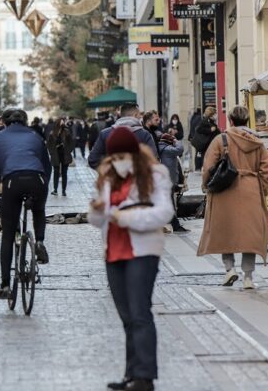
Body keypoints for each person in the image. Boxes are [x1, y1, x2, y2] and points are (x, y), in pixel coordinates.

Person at [87, 127, 173, 391]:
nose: (117, 161)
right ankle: (131, 372)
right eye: (113, 156)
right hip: (113, 250)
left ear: (134, 153)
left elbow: (164, 213)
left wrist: (125, 218)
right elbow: (97, 220)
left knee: (139, 312)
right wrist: (97, 211)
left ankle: (145, 377)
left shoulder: (155, 174)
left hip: (142, 250)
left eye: (122, 155)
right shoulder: (109, 177)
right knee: (126, 316)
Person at [196, 106, 268, 290]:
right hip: (251, 189)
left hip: (224, 189)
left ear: (230, 120)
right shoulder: (257, 142)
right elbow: (266, 168)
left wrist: (206, 185)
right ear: (247, 121)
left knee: (225, 231)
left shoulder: (220, 139)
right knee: (250, 235)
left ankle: (229, 269)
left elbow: (208, 167)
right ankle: (248, 277)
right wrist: (260, 187)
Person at [0, 109, 51, 300]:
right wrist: (44, 184)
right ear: (26, 122)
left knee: (8, 235)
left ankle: (5, 285)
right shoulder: (36, 136)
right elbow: (47, 165)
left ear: (4, 123)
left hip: (12, 181)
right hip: (37, 179)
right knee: (38, 210)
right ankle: (39, 241)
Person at [89, 103, 159, 169]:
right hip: (139, 179)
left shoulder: (105, 133)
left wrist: (110, 171)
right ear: (135, 115)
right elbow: (153, 159)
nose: (141, 117)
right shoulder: (144, 134)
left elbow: (93, 159)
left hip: (113, 180)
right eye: (139, 115)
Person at [157, 132, 188, 233]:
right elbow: (180, 149)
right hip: (168, 180)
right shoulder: (168, 150)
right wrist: (176, 141)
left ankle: (174, 224)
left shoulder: (160, 148)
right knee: (169, 203)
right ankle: (175, 225)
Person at [47, 117, 75, 196]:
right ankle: (55, 189)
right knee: (56, 172)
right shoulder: (52, 133)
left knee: (64, 173)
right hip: (56, 155)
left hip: (64, 154)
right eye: (62, 121)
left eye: (64, 122)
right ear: (58, 122)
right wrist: (51, 152)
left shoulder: (66, 131)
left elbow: (71, 143)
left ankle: (63, 190)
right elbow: (49, 144)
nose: (63, 123)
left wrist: (69, 151)